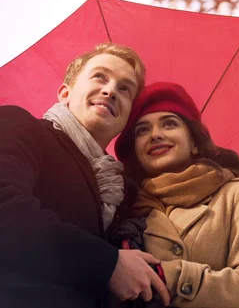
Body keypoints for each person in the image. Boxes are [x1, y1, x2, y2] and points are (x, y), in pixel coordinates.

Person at [0, 43, 170, 308]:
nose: (111, 90)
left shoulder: (120, 191)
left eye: (125, 88)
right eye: (99, 76)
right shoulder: (20, 125)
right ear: (65, 93)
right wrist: (108, 264)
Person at [113, 82, 239, 308]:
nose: (155, 135)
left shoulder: (237, 194)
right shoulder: (122, 209)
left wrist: (168, 275)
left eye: (169, 124)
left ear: (194, 144)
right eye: (143, 130)